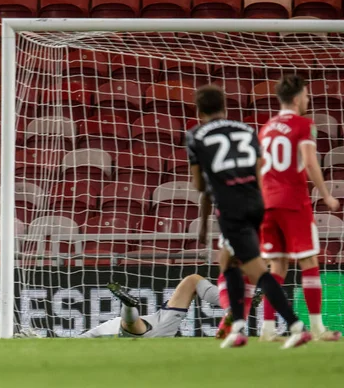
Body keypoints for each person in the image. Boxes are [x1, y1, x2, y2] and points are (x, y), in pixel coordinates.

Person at [187, 84, 311, 349]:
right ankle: (239, 328)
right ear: (224, 107)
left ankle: (296, 326)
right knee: (229, 263)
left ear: (199, 112)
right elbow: (259, 168)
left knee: (256, 271)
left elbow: (199, 186)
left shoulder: (195, 135)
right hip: (257, 202)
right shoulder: (246, 130)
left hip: (231, 207)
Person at [258, 74, 341, 342]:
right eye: (305, 95)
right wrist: (325, 194)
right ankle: (318, 329)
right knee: (309, 261)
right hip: (293, 201)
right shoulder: (304, 124)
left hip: (267, 202)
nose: (307, 99)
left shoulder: (267, 126)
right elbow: (309, 161)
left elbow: (259, 167)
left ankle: (268, 330)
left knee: (277, 267)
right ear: (296, 98)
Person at [80, 275, 221, 338]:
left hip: (157, 325)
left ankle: (128, 306)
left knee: (192, 281)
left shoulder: (92, 336)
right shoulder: (102, 332)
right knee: (130, 324)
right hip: (152, 328)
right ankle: (232, 302)